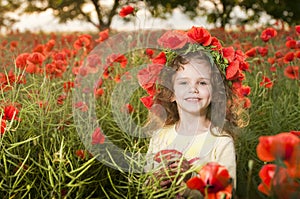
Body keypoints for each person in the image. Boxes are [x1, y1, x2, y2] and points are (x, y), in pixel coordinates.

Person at [144, 45, 247, 198]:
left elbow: (226, 195)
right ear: (171, 93)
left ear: (215, 93)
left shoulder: (221, 142)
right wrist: (155, 183)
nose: (193, 89)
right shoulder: (160, 137)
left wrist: (189, 178)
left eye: (202, 83)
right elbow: (145, 188)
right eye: (183, 83)